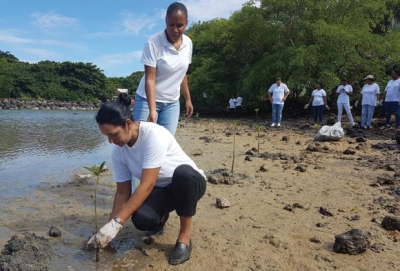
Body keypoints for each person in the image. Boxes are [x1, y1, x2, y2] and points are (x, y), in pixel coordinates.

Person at [88, 94, 206, 265]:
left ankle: (185, 238)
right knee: (142, 219)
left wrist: (118, 223)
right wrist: (109, 227)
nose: (110, 141)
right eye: (106, 136)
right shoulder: (119, 152)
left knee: (183, 174)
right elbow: (122, 192)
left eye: (113, 135)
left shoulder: (153, 134)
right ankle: (160, 217)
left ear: (128, 124)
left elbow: (147, 183)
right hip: (162, 189)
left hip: (190, 184)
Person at [133, 2, 193, 136]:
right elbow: (150, 78)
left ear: (186, 23)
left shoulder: (188, 43)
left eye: (180, 25)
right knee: (141, 140)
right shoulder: (153, 43)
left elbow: (182, 73)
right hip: (146, 100)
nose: (175, 30)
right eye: (171, 25)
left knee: (165, 144)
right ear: (165, 21)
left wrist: (188, 99)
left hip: (171, 103)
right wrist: (152, 110)